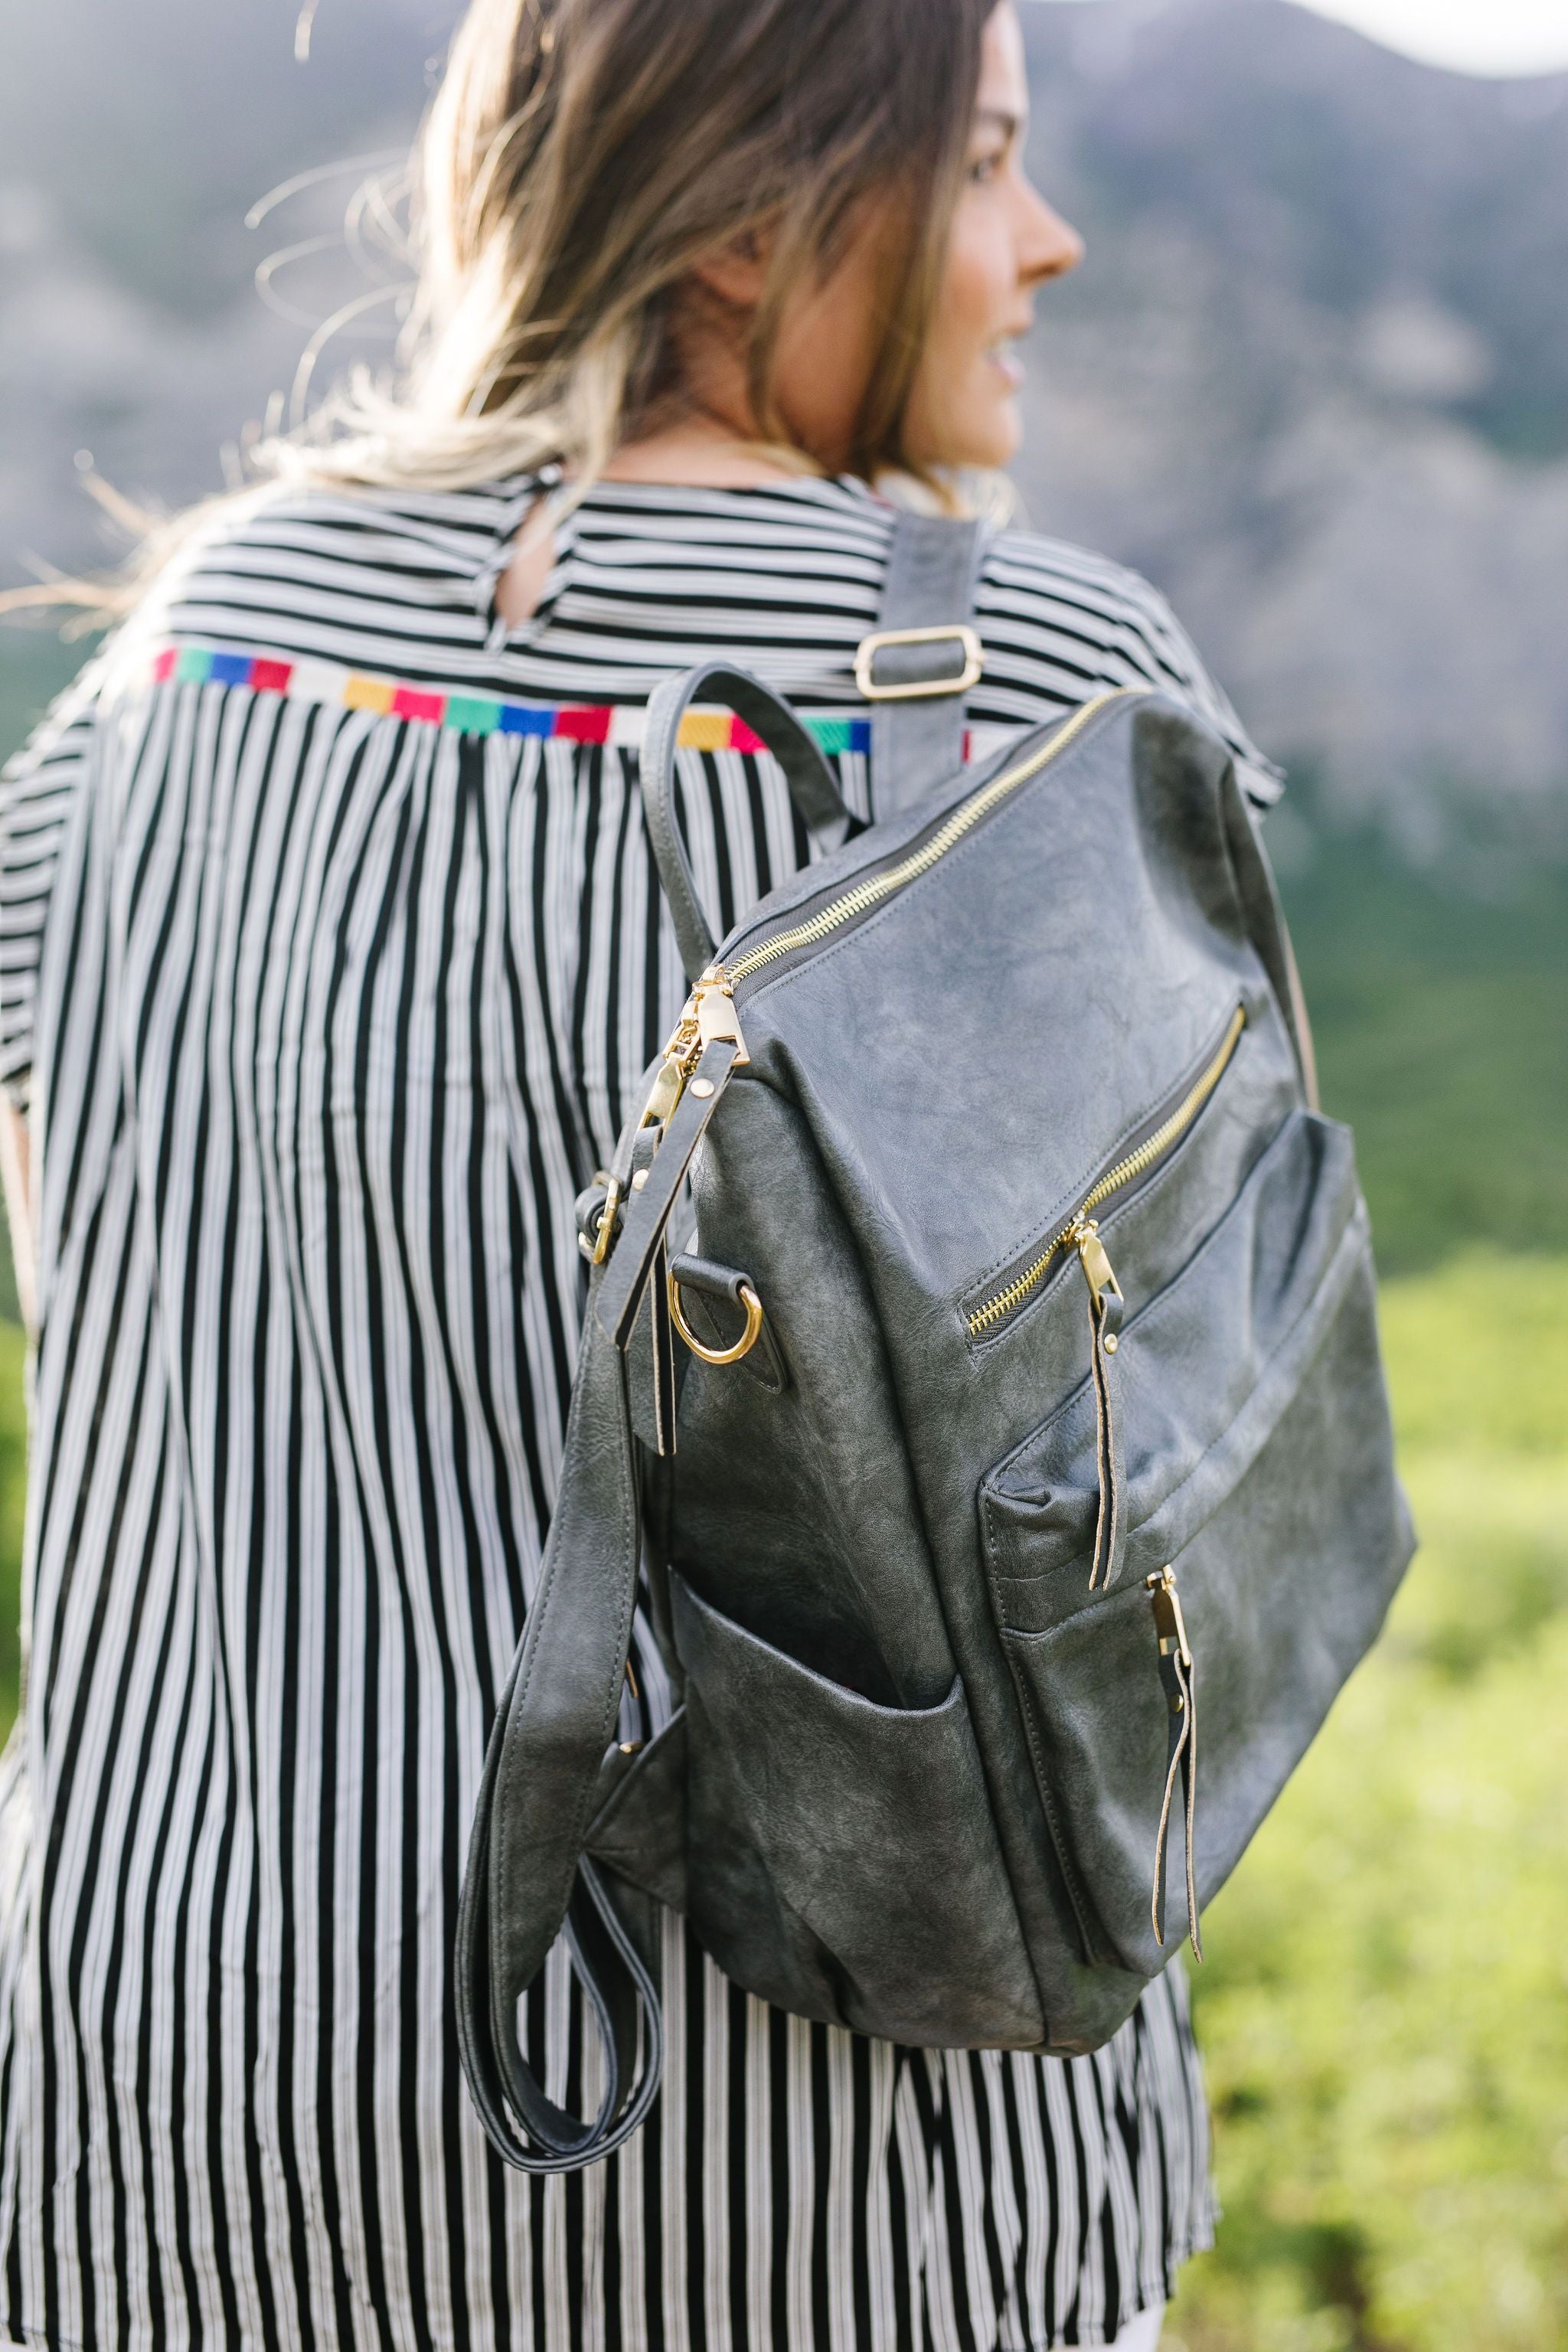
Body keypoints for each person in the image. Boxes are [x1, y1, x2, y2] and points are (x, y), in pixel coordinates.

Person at [0, 1, 1284, 2344]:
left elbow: (92, 1305)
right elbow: (1171, 1490)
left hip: (184, 2110)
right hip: (837, 2187)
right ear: (754, 206)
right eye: (983, 159)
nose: (1050, 239)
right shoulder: (1059, 692)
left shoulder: (174, 666)